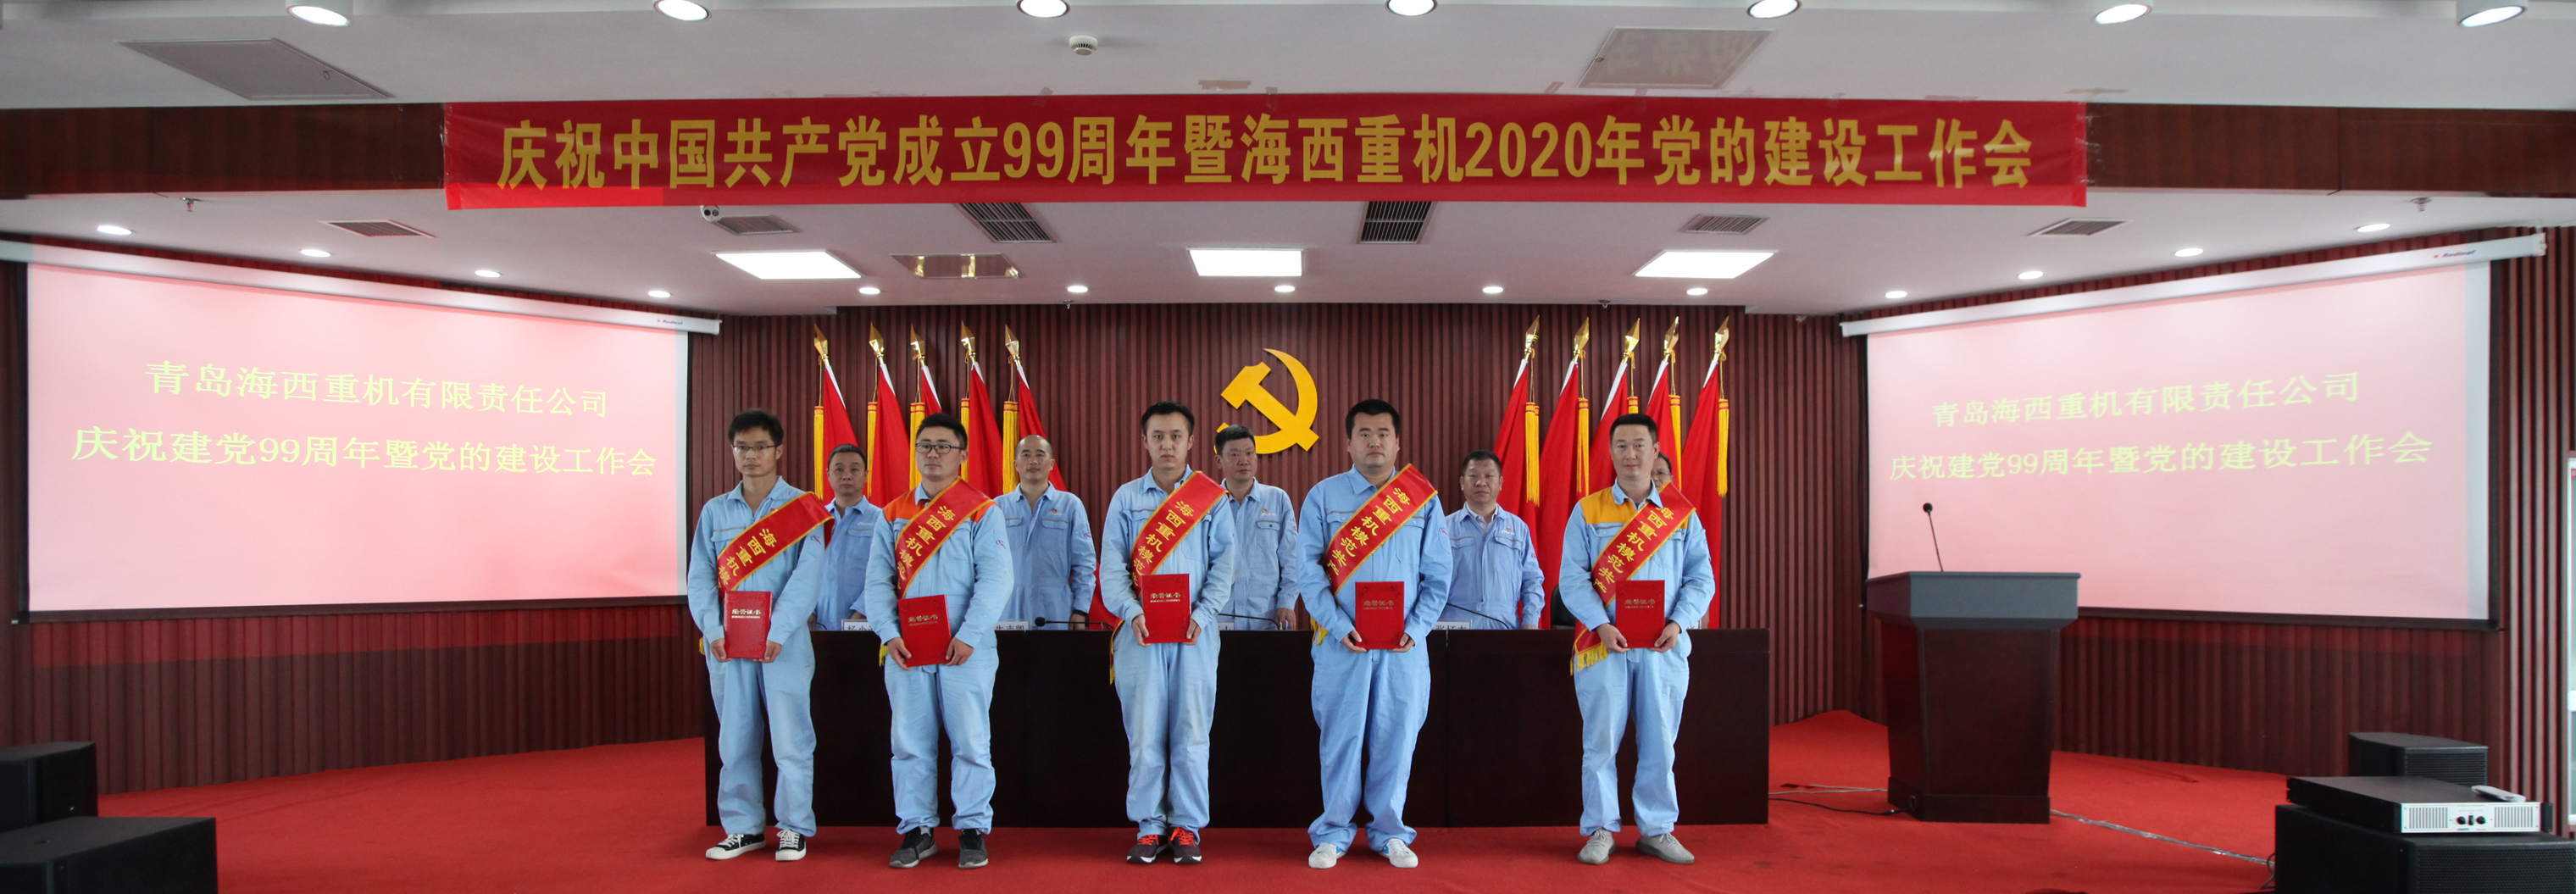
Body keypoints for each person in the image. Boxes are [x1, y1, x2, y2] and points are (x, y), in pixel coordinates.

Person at [1294, 398, 1452, 870]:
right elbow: (1309, 572)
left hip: (1403, 647)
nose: (1374, 442)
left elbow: (1438, 574)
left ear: (1398, 442)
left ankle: (1390, 832)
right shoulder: (1323, 497)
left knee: (1396, 738)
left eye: (1383, 433)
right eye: (1364, 433)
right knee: (1340, 739)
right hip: (1343, 644)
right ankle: (1332, 832)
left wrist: (1416, 628)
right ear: (1348, 443)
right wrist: (1338, 625)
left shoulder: (1422, 499)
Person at [1558, 414, 1716, 867]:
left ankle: (1658, 829)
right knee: (1600, 742)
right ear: (1611, 452)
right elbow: (1572, 579)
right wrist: (1600, 624)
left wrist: (1679, 622)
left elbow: (1701, 579)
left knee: (1660, 741)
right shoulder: (1588, 510)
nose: (1631, 454)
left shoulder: (1681, 515)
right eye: (1622, 446)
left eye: (1639, 445)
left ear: (1655, 451)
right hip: (1604, 646)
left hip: (1663, 647)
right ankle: (1601, 828)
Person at [862, 413, 1016, 870]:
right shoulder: (892, 513)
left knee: (971, 740)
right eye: (925, 445)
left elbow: (996, 579)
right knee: (910, 741)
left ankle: (972, 829)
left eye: (943, 446)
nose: (933, 453)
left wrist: (968, 635)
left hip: (964, 649)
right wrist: (889, 634)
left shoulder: (982, 510)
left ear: (962, 455)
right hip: (907, 649)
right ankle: (917, 829)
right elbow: (877, 582)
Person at [689, 409, 834, 863]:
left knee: (791, 739)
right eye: (742, 448)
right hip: (729, 646)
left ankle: (793, 827)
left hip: (783, 645)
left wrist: (780, 629)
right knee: (734, 739)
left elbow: (808, 577)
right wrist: (712, 628)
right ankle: (743, 827)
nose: (750, 456)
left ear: (779, 450)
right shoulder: (715, 511)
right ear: (732, 451)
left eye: (760, 447)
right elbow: (700, 578)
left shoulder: (803, 509)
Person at [1097, 401, 1238, 865]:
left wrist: (1204, 613)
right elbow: (1111, 568)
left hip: (1195, 634)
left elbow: (1225, 565)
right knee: (1144, 733)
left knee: (1191, 732)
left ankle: (1186, 825)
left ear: (1191, 441)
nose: (1167, 445)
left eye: (1176, 436)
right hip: (1139, 634)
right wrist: (1131, 611)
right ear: (1145, 441)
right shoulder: (1125, 499)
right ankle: (1148, 825)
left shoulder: (1211, 498)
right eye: (1157, 436)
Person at [995, 435, 1098, 630]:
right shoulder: (997, 507)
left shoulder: (1070, 505)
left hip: (1056, 611)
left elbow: (1084, 563)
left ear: (1051, 464)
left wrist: (1081, 610)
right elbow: (986, 564)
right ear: (1015, 464)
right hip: (1008, 610)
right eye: (1026, 455)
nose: (1033, 461)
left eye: (1040, 455)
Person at [1442, 450, 1546, 630]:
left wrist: (1530, 622)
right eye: (1473, 476)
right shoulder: (1444, 527)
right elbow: (1430, 579)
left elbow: (1532, 580)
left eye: (1489, 476)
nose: (1481, 482)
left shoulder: (1518, 528)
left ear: (1500, 483)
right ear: (1462, 483)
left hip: (1504, 626)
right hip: (1455, 627)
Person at [1212, 424, 1298, 630]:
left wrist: (1287, 602)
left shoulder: (1277, 499)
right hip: (1218, 617)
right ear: (1219, 461)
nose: (1244, 460)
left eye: (1249, 453)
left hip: (1267, 616)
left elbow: (1292, 557)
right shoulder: (1208, 504)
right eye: (1234, 454)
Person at [814, 444, 883, 631]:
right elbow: (802, 570)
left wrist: (862, 611)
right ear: (828, 474)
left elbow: (887, 573)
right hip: (817, 622)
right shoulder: (816, 520)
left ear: (866, 475)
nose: (846, 475)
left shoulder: (881, 520)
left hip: (866, 622)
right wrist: (808, 611)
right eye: (839, 470)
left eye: (854, 469)